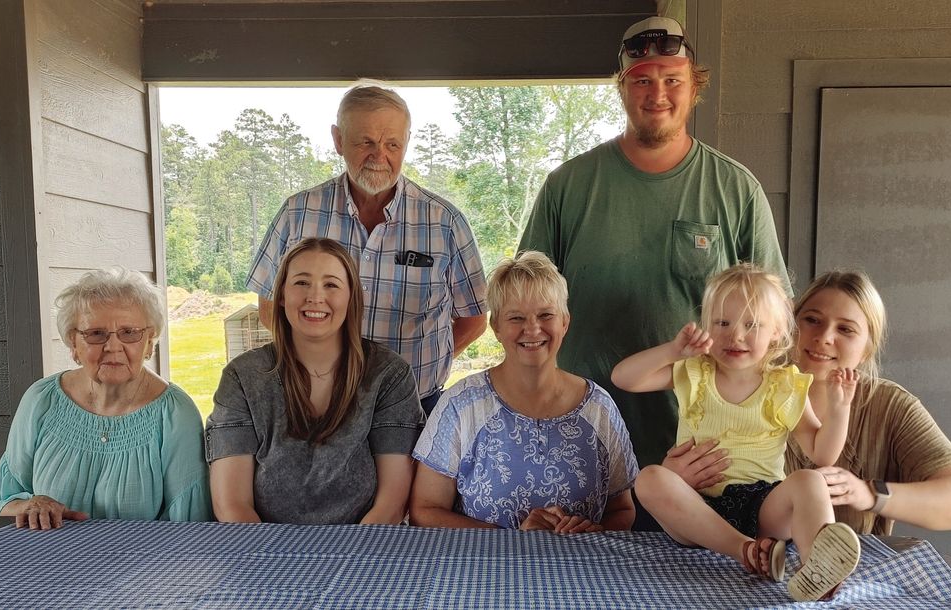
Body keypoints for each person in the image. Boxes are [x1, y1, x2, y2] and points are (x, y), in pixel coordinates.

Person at [517, 16, 790, 483]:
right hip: (578, 433)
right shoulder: (569, 185)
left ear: (694, 87)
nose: (656, 93)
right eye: (641, 80)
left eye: (672, 80)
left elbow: (776, 323)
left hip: (697, 450)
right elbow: (524, 307)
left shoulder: (735, 188)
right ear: (622, 88)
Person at [612, 264, 860, 602]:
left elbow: (822, 454)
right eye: (722, 323)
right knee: (649, 479)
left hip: (764, 509)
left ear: (776, 331)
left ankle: (817, 567)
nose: (736, 335)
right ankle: (744, 550)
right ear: (707, 326)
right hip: (697, 509)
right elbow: (623, 379)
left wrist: (839, 408)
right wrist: (672, 351)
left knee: (811, 481)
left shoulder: (783, 385)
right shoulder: (694, 371)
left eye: (752, 325)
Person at [246, 81, 488, 415]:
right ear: (338, 140)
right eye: (366, 142)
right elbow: (269, 307)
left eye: (392, 143)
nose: (379, 156)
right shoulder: (297, 213)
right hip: (318, 406)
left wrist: (406, 378)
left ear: (406, 144)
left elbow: (474, 320)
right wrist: (317, 371)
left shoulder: (445, 221)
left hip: (416, 407)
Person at [410, 251, 639, 532]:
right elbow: (425, 509)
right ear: (496, 327)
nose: (532, 329)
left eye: (546, 315)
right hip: (484, 570)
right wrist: (514, 538)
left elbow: (623, 509)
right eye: (516, 318)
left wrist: (593, 531)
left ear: (565, 322)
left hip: (580, 571)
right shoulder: (462, 404)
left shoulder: (599, 408)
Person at [208, 238, 425, 524]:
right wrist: (275, 566)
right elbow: (232, 506)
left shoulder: (389, 374)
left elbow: (392, 503)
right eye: (301, 282)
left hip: (365, 552)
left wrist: (350, 563)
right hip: (264, 555)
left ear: (351, 297)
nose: (315, 296)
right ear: (282, 295)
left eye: (331, 284)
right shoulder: (242, 377)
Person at [0, 268, 211, 529]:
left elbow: (191, 528)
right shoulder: (40, 401)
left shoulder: (174, 414)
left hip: (143, 566)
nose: (113, 347)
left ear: (149, 343)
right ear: (73, 344)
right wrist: (31, 505)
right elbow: (0, 504)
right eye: (96, 334)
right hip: (46, 563)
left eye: (129, 333)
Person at [785, 271, 951, 534]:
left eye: (845, 329)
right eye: (812, 320)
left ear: (867, 347)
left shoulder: (891, 406)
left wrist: (869, 494)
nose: (824, 337)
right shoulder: (749, 389)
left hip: (858, 571)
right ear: (789, 325)